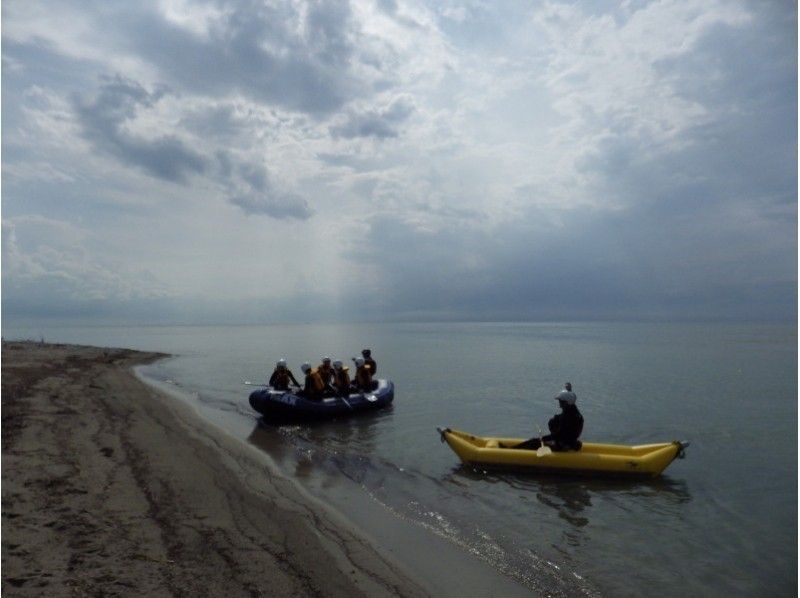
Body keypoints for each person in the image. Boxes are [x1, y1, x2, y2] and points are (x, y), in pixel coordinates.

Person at [515, 383, 584, 451]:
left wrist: (542, 439)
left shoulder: (567, 417)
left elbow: (558, 435)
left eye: (561, 402)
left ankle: (513, 451)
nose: (559, 404)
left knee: (534, 442)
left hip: (563, 446)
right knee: (537, 439)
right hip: (570, 443)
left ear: (567, 402)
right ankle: (513, 449)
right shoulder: (576, 415)